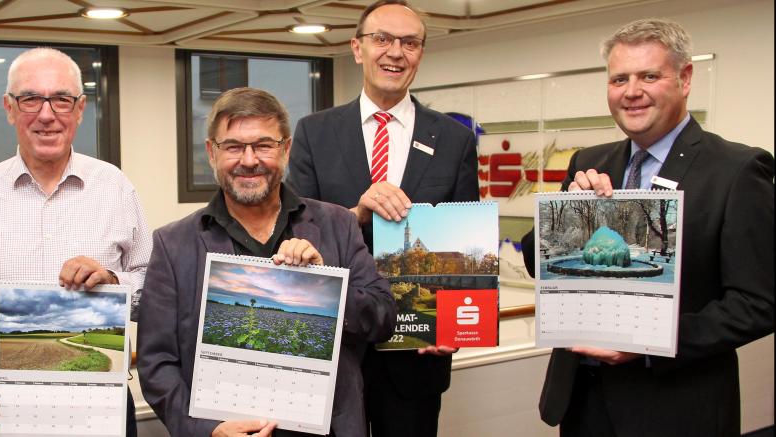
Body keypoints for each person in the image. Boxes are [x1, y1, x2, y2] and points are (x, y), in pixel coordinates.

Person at [520, 18, 774, 437]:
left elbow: (759, 303)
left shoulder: (737, 171)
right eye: (619, 79)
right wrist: (570, 214)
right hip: (584, 405)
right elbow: (535, 259)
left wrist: (651, 341)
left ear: (685, 78)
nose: (631, 91)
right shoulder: (590, 161)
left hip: (677, 409)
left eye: (649, 76)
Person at [138, 87, 396, 437]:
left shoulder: (338, 224)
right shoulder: (173, 244)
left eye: (263, 145)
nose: (248, 160)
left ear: (286, 149)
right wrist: (207, 430)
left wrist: (325, 284)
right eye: (233, 147)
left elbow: (383, 319)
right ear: (212, 153)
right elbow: (157, 363)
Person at [286, 1, 479, 435]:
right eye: (382, 39)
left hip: (417, 351)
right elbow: (295, 231)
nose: (396, 52)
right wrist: (356, 214)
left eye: (410, 42)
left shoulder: (455, 139)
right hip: (334, 340)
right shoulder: (315, 132)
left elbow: (465, 242)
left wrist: (457, 326)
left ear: (421, 54)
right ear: (357, 48)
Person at [0, 47, 151, 437]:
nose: (47, 114)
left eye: (61, 99)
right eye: (31, 99)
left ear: (80, 108)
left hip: (102, 407)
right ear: (9, 108)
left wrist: (112, 281)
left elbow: (154, 289)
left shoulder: (116, 189)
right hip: (3, 410)